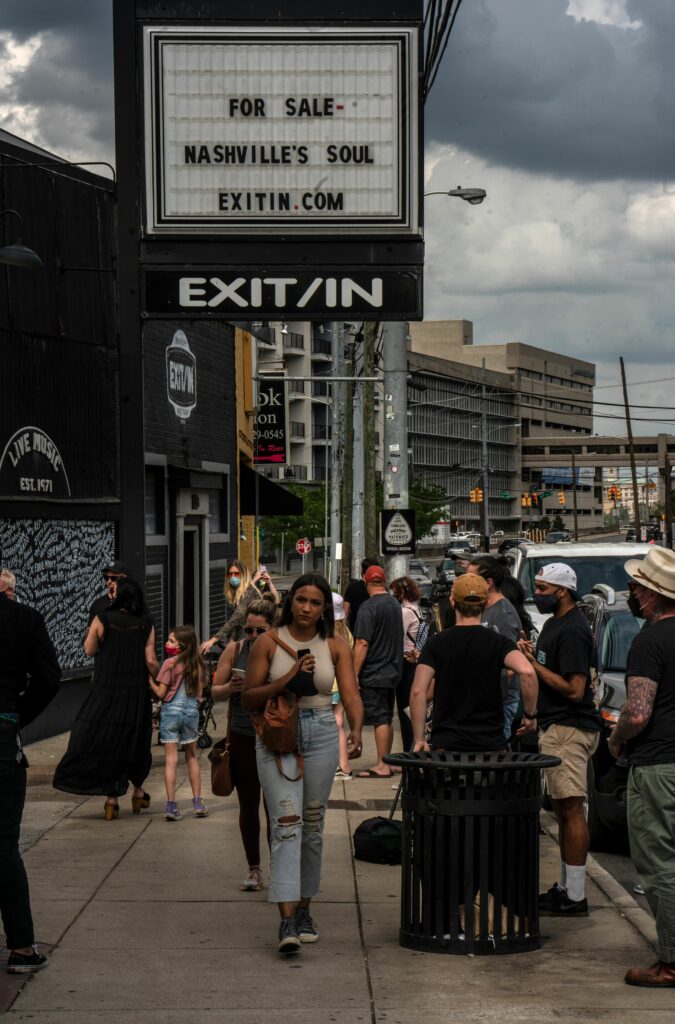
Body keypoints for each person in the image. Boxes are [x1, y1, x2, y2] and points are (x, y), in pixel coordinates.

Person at [242, 573, 363, 954]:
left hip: (323, 732)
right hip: (279, 736)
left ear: (325, 607)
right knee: (285, 826)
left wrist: (356, 728)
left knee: (312, 824)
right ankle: (286, 919)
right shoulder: (268, 642)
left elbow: (350, 690)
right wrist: (290, 677)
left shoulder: (334, 645)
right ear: (289, 601)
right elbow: (249, 698)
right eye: (301, 600)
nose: (307, 608)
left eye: (315, 602)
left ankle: (305, 908)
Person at [608, 547, 675, 987]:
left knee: (660, 865)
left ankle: (670, 962)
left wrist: (615, 742)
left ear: (651, 595)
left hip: (659, 767)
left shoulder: (649, 640)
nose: (631, 593)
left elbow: (636, 713)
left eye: (635, 587)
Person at [518, 562, 599, 918]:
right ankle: (566, 887)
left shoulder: (573, 631)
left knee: (571, 808)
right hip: (556, 726)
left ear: (562, 591)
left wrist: (533, 666)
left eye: (543, 589)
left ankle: (576, 895)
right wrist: (533, 657)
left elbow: (574, 688)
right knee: (564, 810)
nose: (538, 594)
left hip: (570, 727)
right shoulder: (554, 624)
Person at [54, 579, 159, 819]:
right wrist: (164, 680)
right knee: (136, 740)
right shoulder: (146, 623)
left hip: (106, 690)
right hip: (135, 692)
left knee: (109, 739)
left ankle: (111, 799)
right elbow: (151, 661)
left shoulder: (102, 619)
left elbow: (89, 650)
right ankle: (138, 791)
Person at [1, 573, 60, 974]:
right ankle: (21, 947)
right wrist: (17, 717)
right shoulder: (23, 618)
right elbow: (48, 678)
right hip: (2, 734)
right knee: (3, 845)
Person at [410, 573, 537, 753]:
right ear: (485, 604)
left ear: (453, 602)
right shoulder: (499, 643)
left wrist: (419, 738)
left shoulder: (436, 644)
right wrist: (530, 716)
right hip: (490, 747)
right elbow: (528, 672)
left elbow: (418, 691)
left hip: (447, 746)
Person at [212, 599, 276, 889]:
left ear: (272, 629)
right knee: (248, 805)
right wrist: (229, 688)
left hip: (274, 736)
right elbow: (213, 692)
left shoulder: (280, 650)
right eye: (248, 630)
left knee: (276, 807)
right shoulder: (234, 650)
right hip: (242, 734)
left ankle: (280, 868)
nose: (252, 637)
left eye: (259, 631)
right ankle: (254, 869)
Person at [149, 625, 209, 821]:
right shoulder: (198, 665)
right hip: (191, 712)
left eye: (171, 641)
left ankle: (172, 807)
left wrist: (149, 680)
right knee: (191, 756)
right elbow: (200, 693)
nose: (167, 643)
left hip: (171, 714)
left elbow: (160, 693)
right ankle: (198, 803)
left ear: (182, 646)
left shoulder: (169, 664)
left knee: (171, 760)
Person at [353, 565, 403, 778]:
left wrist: (354, 673)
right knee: (387, 717)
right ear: (384, 581)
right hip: (392, 670)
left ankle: (382, 765)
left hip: (374, 672)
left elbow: (362, 642)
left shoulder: (367, 607)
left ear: (366, 583)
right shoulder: (394, 604)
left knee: (380, 718)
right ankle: (387, 761)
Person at [468, 555, 522, 742]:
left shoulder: (504, 614)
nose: (466, 583)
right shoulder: (484, 608)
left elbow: (510, 668)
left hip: (500, 701)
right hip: (485, 700)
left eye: (471, 579)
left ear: (488, 582)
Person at [201, 560, 279, 652]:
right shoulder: (235, 592)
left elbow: (237, 616)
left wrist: (214, 639)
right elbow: (237, 620)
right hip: (247, 636)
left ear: (243, 575)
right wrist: (232, 638)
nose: (233, 576)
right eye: (230, 574)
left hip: (257, 637)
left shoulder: (249, 591)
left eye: (236, 574)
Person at [390, 575, 424, 752]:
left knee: (405, 711)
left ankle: (408, 749)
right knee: (411, 710)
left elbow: (397, 636)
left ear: (401, 592)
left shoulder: (404, 612)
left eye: (395, 591)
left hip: (405, 660)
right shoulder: (417, 609)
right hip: (415, 661)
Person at [331, 592, 354, 780]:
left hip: (328, 686)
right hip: (342, 685)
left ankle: (340, 764)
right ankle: (344, 764)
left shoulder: (326, 637)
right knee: (339, 722)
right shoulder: (347, 634)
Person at [342, 556, 381, 633]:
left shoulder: (352, 587)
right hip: (377, 633)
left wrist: (344, 633)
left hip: (356, 632)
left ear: (362, 571)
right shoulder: (381, 589)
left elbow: (345, 613)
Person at [87, 560, 129, 625]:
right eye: (106, 578)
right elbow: (90, 632)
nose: (109, 581)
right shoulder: (97, 605)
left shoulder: (135, 603)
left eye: (113, 578)